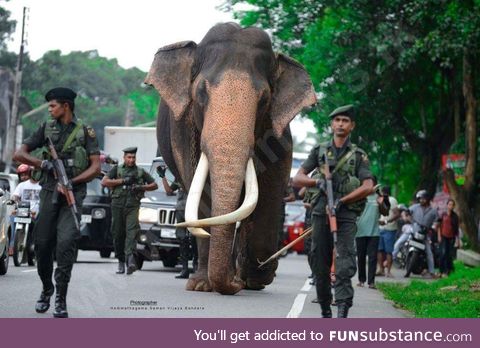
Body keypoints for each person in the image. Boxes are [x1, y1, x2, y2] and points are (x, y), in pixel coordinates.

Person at [13, 87, 101, 318]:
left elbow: (95, 167)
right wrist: (43, 165)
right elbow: (19, 154)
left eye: (53, 105)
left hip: (73, 195)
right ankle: (46, 289)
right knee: (42, 246)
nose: (49, 109)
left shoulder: (85, 132)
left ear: (66, 106)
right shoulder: (46, 128)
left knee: (66, 246)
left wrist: (71, 181)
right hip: (49, 192)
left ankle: (60, 298)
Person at [293, 104, 373, 318]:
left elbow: (367, 186)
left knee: (345, 262)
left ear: (352, 126)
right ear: (331, 124)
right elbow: (297, 178)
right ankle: (325, 308)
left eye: (345, 121)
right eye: (337, 120)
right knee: (320, 263)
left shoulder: (358, 156)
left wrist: (343, 200)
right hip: (320, 213)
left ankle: (343, 309)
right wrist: (317, 183)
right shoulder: (319, 151)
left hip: (345, 216)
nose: (340, 124)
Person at [101, 147, 158, 275]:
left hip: (132, 206)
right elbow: (104, 182)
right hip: (117, 206)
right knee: (118, 234)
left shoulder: (140, 172)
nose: (131, 160)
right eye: (129, 157)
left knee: (132, 233)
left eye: (133, 157)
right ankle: (121, 261)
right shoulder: (117, 169)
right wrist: (122, 181)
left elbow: (154, 185)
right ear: (124, 158)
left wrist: (140, 187)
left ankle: (130, 260)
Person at [158, 165, 198, 279]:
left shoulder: (196, 175)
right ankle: (184, 269)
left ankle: (196, 266)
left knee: (195, 238)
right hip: (180, 210)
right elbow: (169, 191)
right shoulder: (179, 177)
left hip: (193, 210)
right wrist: (163, 176)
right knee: (182, 239)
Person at [355, 177, 385, 289]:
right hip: (360, 230)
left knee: (373, 257)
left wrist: (381, 202)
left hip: (374, 232)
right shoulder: (360, 195)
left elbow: (385, 212)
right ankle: (361, 280)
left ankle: (371, 282)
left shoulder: (379, 197)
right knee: (361, 256)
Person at [409, 189, 439, 278]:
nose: (421, 200)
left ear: (428, 199)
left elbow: (437, 221)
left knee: (429, 252)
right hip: (413, 231)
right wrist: (407, 217)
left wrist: (434, 227)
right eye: (420, 199)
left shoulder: (433, 210)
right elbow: (406, 212)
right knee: (400, 242)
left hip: (424, 234)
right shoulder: (414, 207)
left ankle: (432, 271)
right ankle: (394, 257)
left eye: (423, 198)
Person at [8, 164, 36, 255]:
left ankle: (36, 245)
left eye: (26, 174)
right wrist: (13, 199)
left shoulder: (40, 185)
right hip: (23, 212)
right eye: (22, 175)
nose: (24, 177)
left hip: (35, 214)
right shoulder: (21, 185)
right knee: (12, 220)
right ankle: (12, 245)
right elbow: (15, 195)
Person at [376, 186, 400, 277]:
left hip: (389, 228)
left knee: (388, 251)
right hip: (381, 228)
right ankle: (381, 269)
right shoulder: (381, 200)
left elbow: (397, 214)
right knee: (380, 250)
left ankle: (388, 271)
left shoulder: (392, 200)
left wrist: (386, 221)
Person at [437, 199, 460, 277]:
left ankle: (447, 271)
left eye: (452, 205)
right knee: (442, 253)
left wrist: (457, 240)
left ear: (454, 206)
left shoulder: (455, 216)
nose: (450, 206)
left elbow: (456, 230)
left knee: (448, 254)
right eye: (449, 204)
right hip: (443, 236)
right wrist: (439, 235)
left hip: (451, 237)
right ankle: (441, 270)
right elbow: (439, 226)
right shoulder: (443, 214)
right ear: (447, 205)